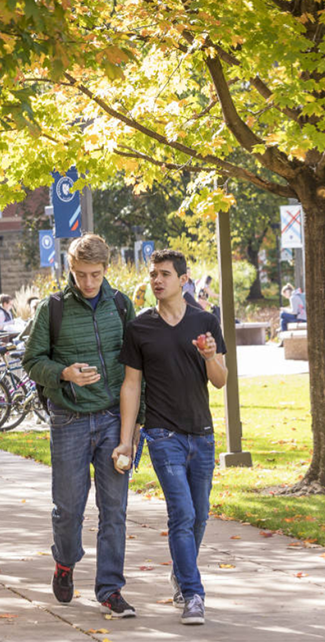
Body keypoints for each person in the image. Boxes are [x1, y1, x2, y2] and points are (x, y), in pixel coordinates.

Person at [21, 233, 139, 619]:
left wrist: (134, 426)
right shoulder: (52, 309)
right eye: (81, 274)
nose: (88, 283)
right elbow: (32, 361)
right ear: (69, 269)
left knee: (115, 510)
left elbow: (138, 370)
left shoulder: (121, 306)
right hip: (68, 420)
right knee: (69, 509)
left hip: (111, 419)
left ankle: (110, 589)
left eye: (95, 275)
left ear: (107, 269)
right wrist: (64, 373)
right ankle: (65, 562)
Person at [114, 249, 227, 626]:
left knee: (199, 516)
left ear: (183, 279)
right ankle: (193, 595)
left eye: (164, 274)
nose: (157, 280)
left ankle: (181, 574)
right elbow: (131, 386)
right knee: (182, 514)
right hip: (162, 434)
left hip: (203, 434)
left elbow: (220, 379)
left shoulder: (205, 321)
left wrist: (211, 355)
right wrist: (126, 439)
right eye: (153, 275)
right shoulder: (140, 328)